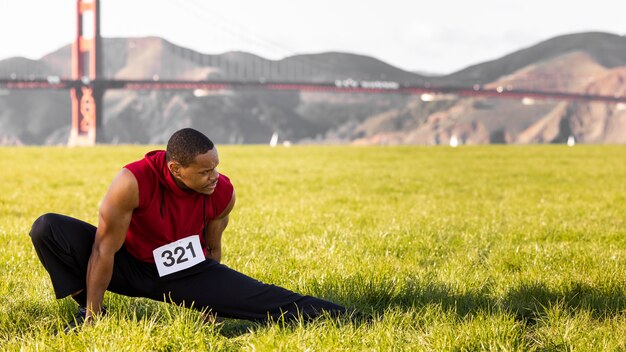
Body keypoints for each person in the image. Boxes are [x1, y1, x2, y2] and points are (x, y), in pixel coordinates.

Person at [29, 128, 348, 328]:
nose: (215, 176)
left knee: (274, 302)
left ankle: (352, 317)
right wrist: (92, 316)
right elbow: (103, 248)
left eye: (216, 167)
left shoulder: (223, 192)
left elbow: (212, 250)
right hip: (128, 265)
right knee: (48, 228)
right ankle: (89, 309)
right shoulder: (132, 182)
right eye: (205, 171)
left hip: (186, 273)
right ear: (176, 169)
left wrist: (212, 304)